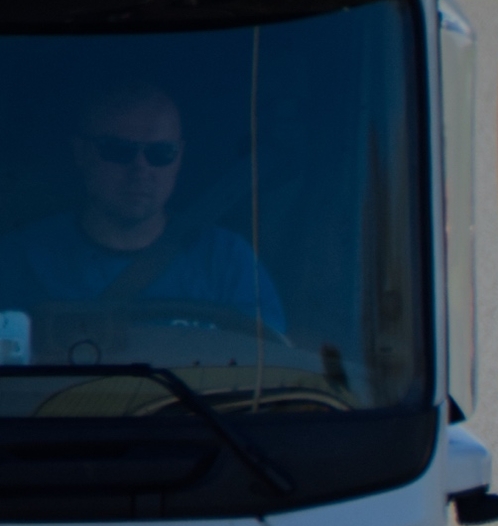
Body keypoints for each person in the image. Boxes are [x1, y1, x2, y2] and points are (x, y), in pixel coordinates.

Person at [0, 80, 286, 336]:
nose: (141, 169)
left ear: (179, 157)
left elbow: (271, 369)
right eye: (118, 150)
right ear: (81, 153)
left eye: (160, 153)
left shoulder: (226, 262)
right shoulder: (19, 262)